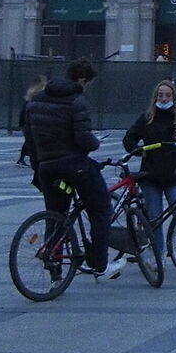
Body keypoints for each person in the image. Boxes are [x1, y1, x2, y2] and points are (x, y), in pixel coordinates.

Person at [21, 61, 119, 280]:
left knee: (56, 216)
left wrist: (39, 166)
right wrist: (95, 143)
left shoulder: (36, 100)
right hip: (74, 165)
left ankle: (53, 262)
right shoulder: (77, 101)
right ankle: (100, 265)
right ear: (82, 80)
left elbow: (29, 139)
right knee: (101, 208)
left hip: (46, 167)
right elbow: (84, 139)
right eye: (89, 84)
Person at [124, 79, 176, 262]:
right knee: (154, 218)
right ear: (155, 97)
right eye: (160, 95)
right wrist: (138, 151)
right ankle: (159, 255)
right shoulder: (147, 117)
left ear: (174, 96)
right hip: (151, 175)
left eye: (167, 95)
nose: (164, 99)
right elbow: (128, 138)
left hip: (174, 174)